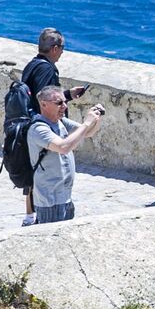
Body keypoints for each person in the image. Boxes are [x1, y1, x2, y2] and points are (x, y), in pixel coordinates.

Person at [19, 29, 89, 224]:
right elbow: (44, 98)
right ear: (55, 48)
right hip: (43, 127)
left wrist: (67, 94)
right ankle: (34, 216)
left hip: (30, 124)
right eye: (62, 48)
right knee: (46, 171)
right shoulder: (46, 69)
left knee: (35, 170)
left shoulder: (32, 65)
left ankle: (29, 215)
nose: (62, 52)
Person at [26, 86, 104, 225]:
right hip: (50, 200)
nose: (64, 106)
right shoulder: (38, 128)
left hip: (65, 197)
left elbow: (87, 133)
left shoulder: (61, 122)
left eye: (64, 101)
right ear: (44, 104)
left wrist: (96, 119)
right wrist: (87, 122)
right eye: (59, 103)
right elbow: (63, 147)